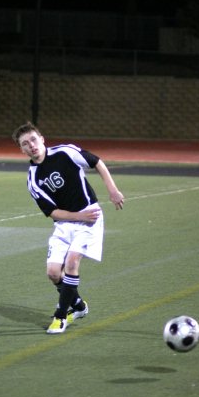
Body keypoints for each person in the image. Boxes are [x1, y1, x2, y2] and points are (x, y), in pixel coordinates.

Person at [12, 121, 125, 334]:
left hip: (89, 217)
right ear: (22, 150)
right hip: (65, 224)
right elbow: (52, 212)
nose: (31, 145)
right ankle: (79, 306)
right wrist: (76, 216)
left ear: (42, 139)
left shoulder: (65, 152)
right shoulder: (33, 178)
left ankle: (60, 316)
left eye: (34, 140)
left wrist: (112, 190)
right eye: (25, 144)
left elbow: (96, 162)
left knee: (72, 262)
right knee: (54, 273)